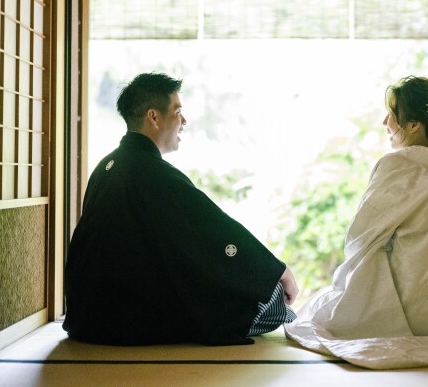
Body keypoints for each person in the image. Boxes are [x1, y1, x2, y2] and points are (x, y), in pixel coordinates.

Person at [64, 72, 298, 346]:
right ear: (154, 117)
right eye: (177, 112)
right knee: (272, 297)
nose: (183, 121)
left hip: (88, 318)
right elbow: (215, 232)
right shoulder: (153, 174)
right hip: (131, 319)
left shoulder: (106, 166)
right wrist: (278, 271)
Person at [286, 75, 428, 340]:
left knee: (311, 312)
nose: (385, 122)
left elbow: (359, 239)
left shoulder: (396, 167)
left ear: (413, 124)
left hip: (410, 318)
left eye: (391, 114)